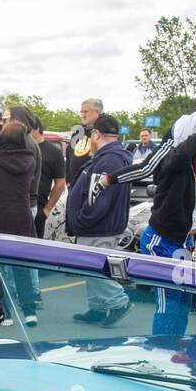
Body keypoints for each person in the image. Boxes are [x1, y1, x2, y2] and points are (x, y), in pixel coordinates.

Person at [134, 108, 196, 335]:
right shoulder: (178, 165)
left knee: (184, 302)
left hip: (186, 242)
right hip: (162, 240)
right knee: (169, 302)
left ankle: (176, 350)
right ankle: (162, 351)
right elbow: (182, 154)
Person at [65, 114, 134, 325]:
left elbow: (99, 196)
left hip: (97, 227)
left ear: (96, 134)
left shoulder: (109, 159)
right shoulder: (111, 157)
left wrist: (83, 219)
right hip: (100, 225)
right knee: (92, 267)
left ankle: (118, 302)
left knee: (95, 267)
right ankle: (97, 307)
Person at [0, 120, 40, 323]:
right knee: (20, 267)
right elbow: (31, 190)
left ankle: (6, 312)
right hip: (21, 218)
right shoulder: (30, 160)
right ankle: (30, 312)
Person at [32, 116, 67, 240]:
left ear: (36, 128)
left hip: (38, 208)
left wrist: (46, 210)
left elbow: (60, 183)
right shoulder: (22, 149)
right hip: (17, 207)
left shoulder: (53, 151)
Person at [67, 98, 103, 184]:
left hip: (93, 184)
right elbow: (69, 156)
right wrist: (68, 179)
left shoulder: (104, 133)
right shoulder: (77, 132)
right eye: (81, 112)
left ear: (97, 113)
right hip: (74, 184)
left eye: (86, 112)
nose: (82, 115)